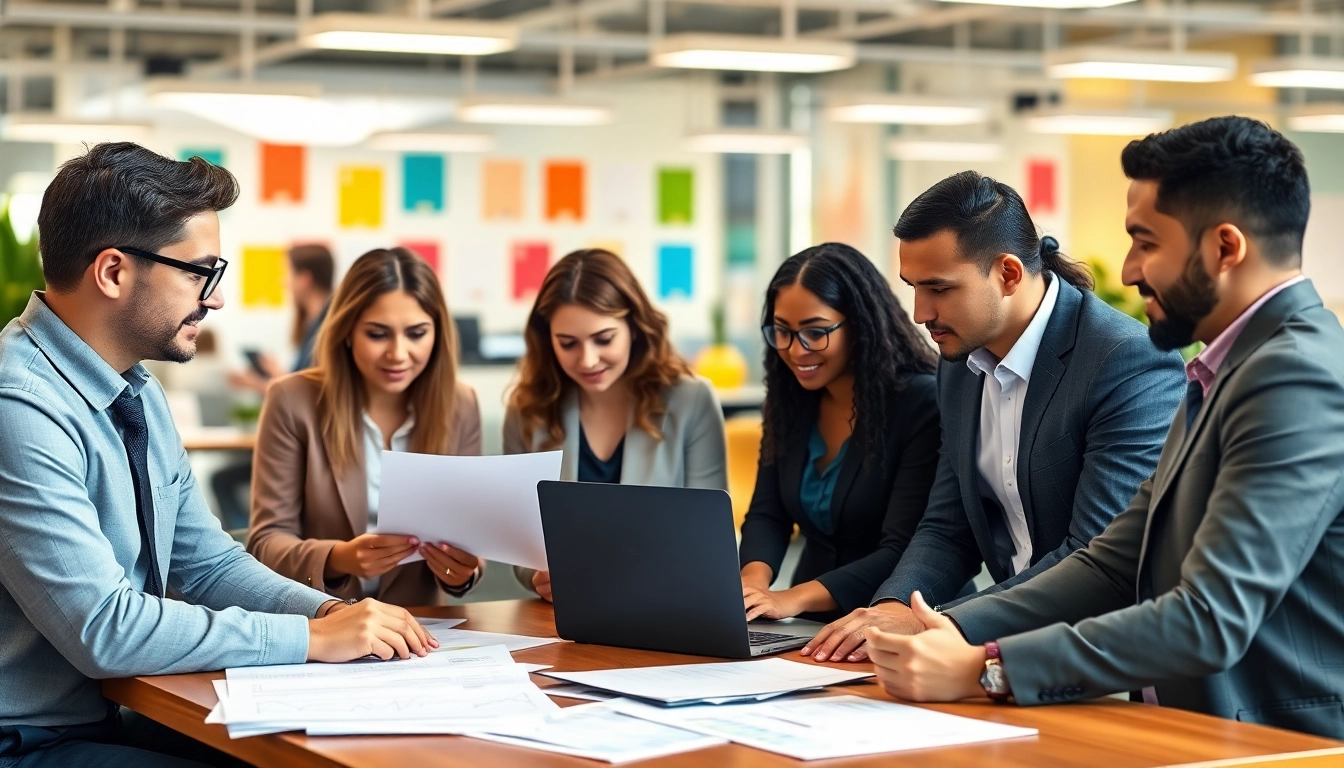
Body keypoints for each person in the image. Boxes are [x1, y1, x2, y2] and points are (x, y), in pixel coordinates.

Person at [863, 117, 1344, 739]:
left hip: (1277, 741)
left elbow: (1209, 618)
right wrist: (953, 630)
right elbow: (1114, 561)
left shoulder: (1293, 377)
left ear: (1225, 248)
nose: (1130, 268)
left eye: (1147, 243)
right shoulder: (1226, 368)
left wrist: (988, 670)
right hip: (1191, 725)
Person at [0, 143, 434, 768]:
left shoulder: (134, 390)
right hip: (26, 740)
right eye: (199, 272)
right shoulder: (21, 404)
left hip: (101, 716)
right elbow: (107, 630)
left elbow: (203, 564)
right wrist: (310, 637)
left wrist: (337, 611)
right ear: (115, 272)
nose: (217, 297)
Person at [804, 171, 1186, 662]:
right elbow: (948, 525)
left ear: (1007, 273)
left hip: (1098, 657)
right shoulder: (960, 364)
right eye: (913, 287)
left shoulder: (1126, 361)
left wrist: (939, 624)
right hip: (996, 646)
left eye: (939, 288)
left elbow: (1096, 557)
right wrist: (893, 607)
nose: (920, 312)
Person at [248, 247, 484, 605]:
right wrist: (340, 558)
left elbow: (469, 537)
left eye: (417, 333)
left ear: (438, 334)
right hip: (320, 623)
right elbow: (265, 542)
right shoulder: (291, 400)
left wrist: (464, 569)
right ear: (347, 331)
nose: (398, 353)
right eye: (377, 334)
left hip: (417, 629)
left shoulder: (460, 405)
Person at [504, 248, 727, 601]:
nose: (588, 360)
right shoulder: (527, 409)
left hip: (668, 603)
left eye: (604, 339)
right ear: (547, 341)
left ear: (635, 327)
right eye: (568, 344)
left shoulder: (691, 400)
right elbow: (519, 540)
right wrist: (537, 575)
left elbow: (713, 537)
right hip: (565, 615)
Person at [737, 243, 941, 622]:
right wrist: (753, 585)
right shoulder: (789, 400)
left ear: (861, 326)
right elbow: (769, 513)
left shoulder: (921, 403)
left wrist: (792, 599)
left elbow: (904, 548)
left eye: (815, 333)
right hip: (807, 622)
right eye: (782, 331)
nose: (797, 351)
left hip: (901, 617)